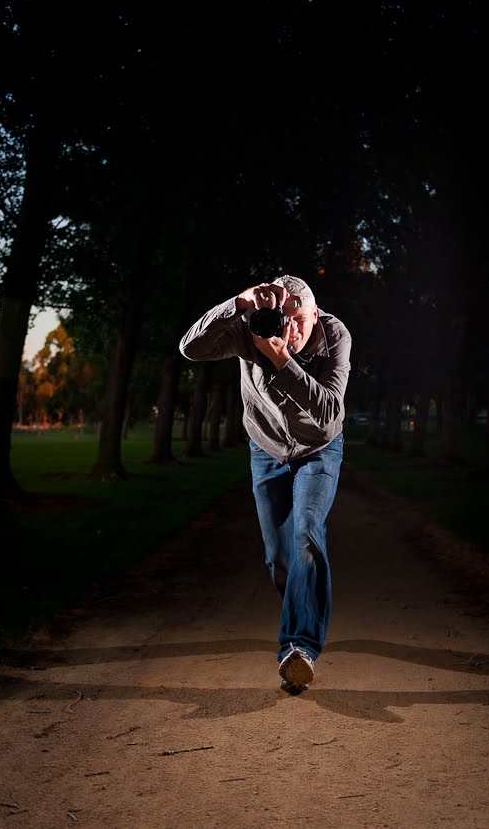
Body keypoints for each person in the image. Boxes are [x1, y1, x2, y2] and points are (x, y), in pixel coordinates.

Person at [179, 275, 351, 694]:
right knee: (278, 558)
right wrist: (238, 302)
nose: (289, 332)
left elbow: (329, 410)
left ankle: (299, 648)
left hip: (318, 448)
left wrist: (280, 360)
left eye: (300, 322)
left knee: (307, 533)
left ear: (316, 314)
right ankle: (300, 614)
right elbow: (191, 348)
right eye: (283, 319)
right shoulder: (255, 324)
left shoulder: (335, 334)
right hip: (266, 450)